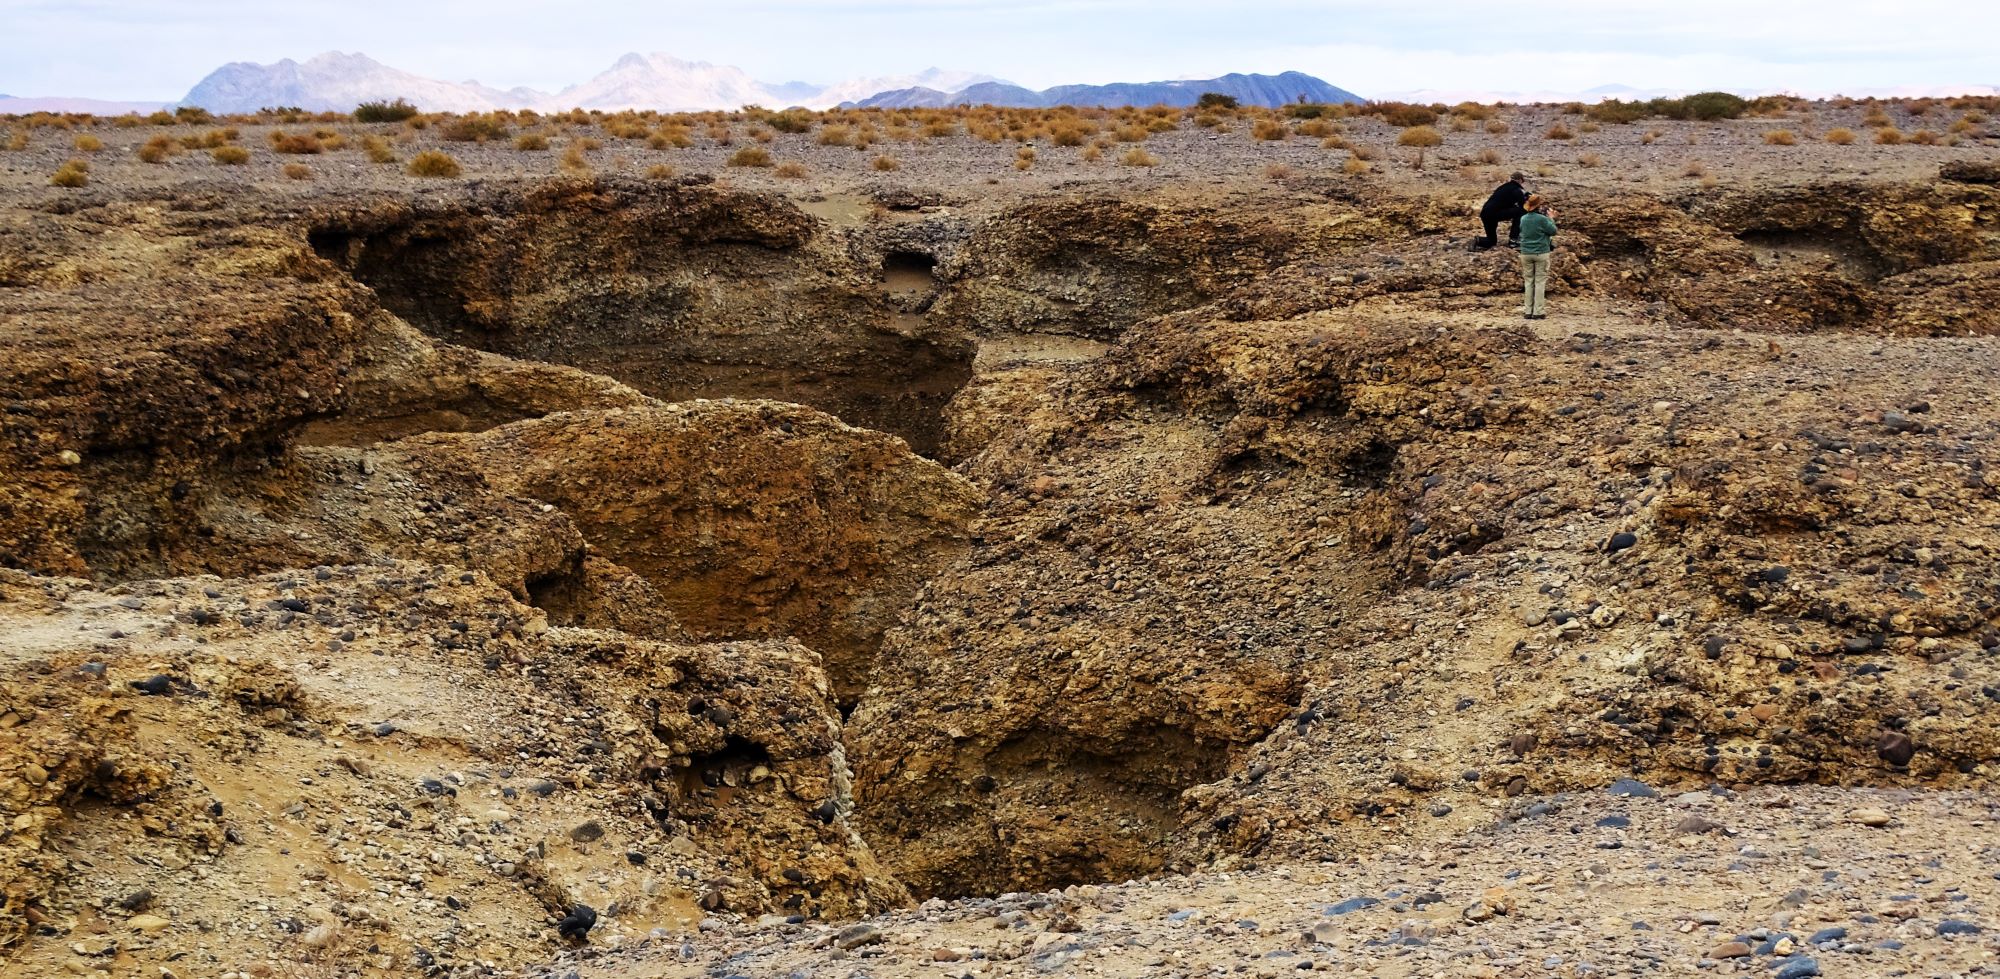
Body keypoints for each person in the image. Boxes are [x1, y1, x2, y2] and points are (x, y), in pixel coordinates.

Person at [1517, 194, 1558, 320]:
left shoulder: (1523, 218)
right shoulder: (1542, 219)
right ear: (1538, 206)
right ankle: (1538, 311)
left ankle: (1528, 310)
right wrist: (1551, 218)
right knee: (1540, 282)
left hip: (1525, 253)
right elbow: (1553, 231)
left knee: (1529, 282)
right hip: (1541, 252)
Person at [1475, 173, 1529, 249]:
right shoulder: (1516, 189)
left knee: (1492, 241)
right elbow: (1524, 205)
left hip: (1485, 214)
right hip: (1495, 213)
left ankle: (1477, 241)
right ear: (1520, 180)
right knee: (1521, 212)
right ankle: (1513, 240)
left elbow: (1504, 202)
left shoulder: (1503, 187)